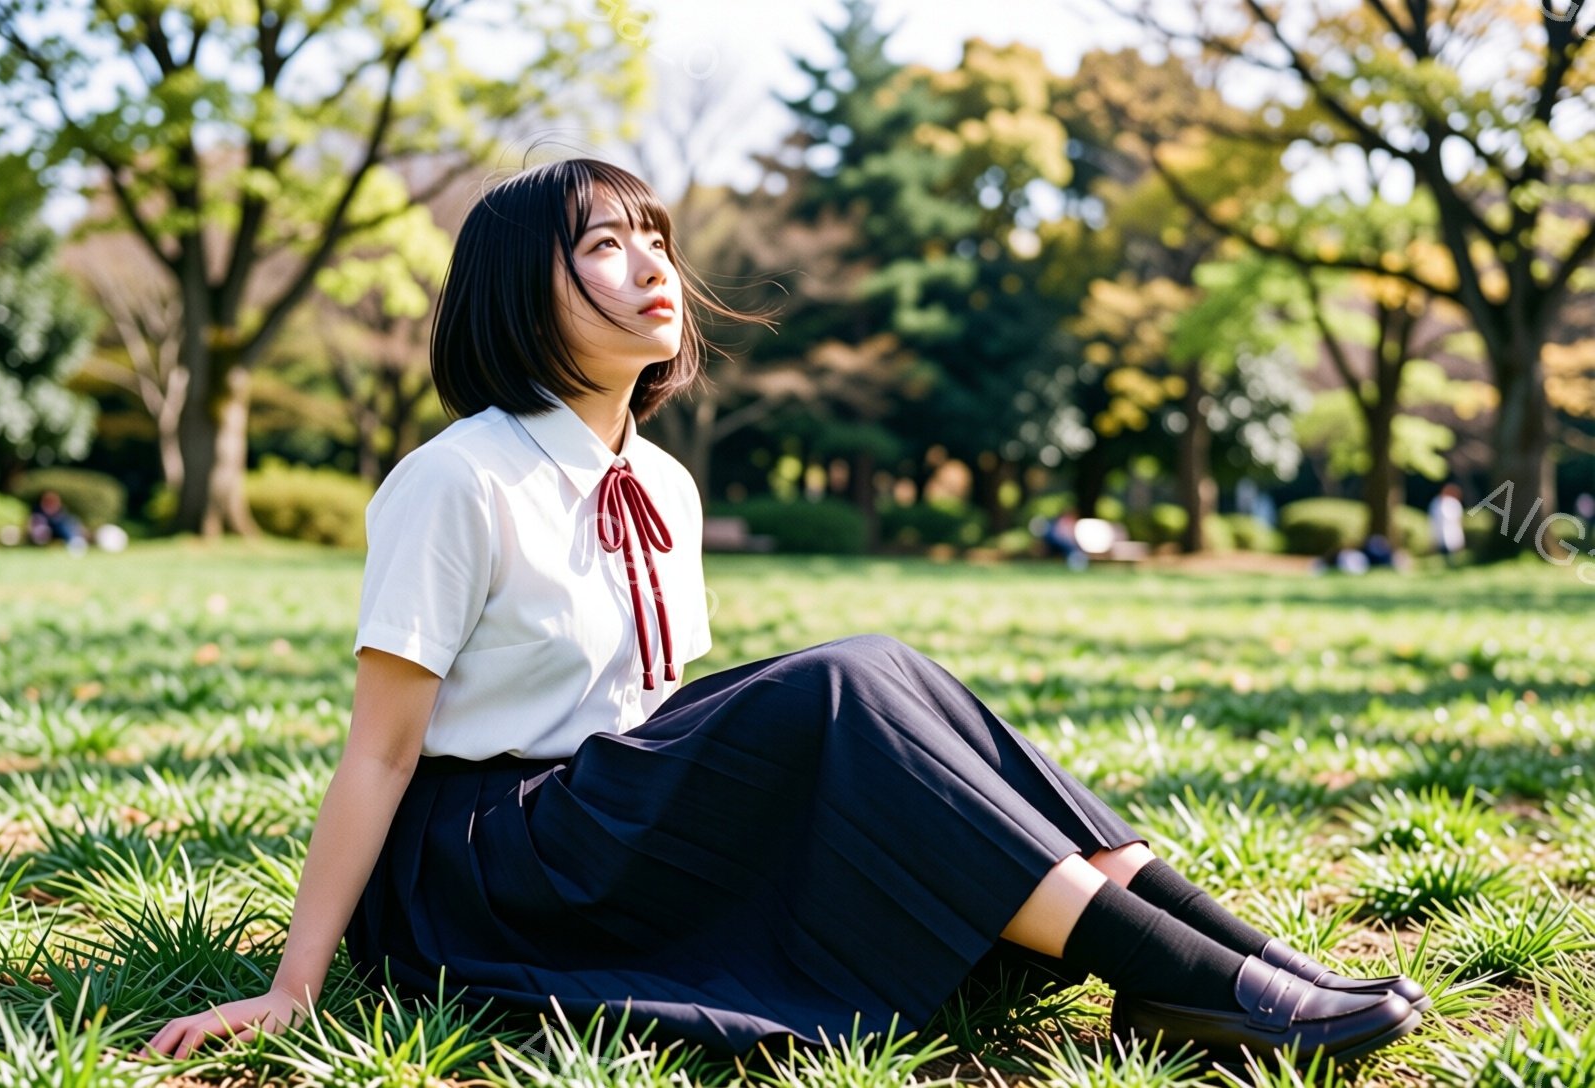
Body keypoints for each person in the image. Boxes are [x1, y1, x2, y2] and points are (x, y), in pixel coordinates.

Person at [141, 159, 1425, 1070]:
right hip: (496, 862)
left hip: (612, 808)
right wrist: (293, 983)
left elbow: (654, 722)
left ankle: (1243, 968)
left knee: (889, 672)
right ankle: (1194, 981)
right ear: (518, 295)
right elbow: (382, 748)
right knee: (843, 682)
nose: (650, 262)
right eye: (601, 243)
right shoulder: (455, 477)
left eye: (654, 236)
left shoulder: (665, 484)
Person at [1428, 482, 1465, 567]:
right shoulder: (1436, 503)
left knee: (1452, 554)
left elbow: (1457, 521)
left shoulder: (1454, 503)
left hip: (1452, 533)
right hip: (1439, 533)